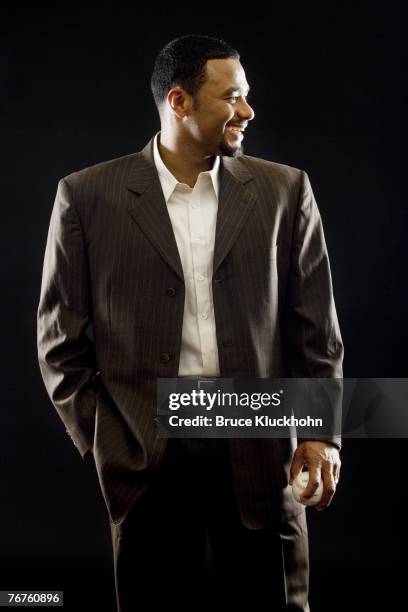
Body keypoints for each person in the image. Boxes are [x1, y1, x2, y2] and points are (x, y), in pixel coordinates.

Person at [37, 34, 343, 611]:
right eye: (232, 97)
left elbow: (316, 334)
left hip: (260, 443)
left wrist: (321, 432)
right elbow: (59, 344)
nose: (248, 111)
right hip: (148, 454)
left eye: (247, 96)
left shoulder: (285, 190)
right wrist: (109, 437)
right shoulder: (85, 196)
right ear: (179, 102)